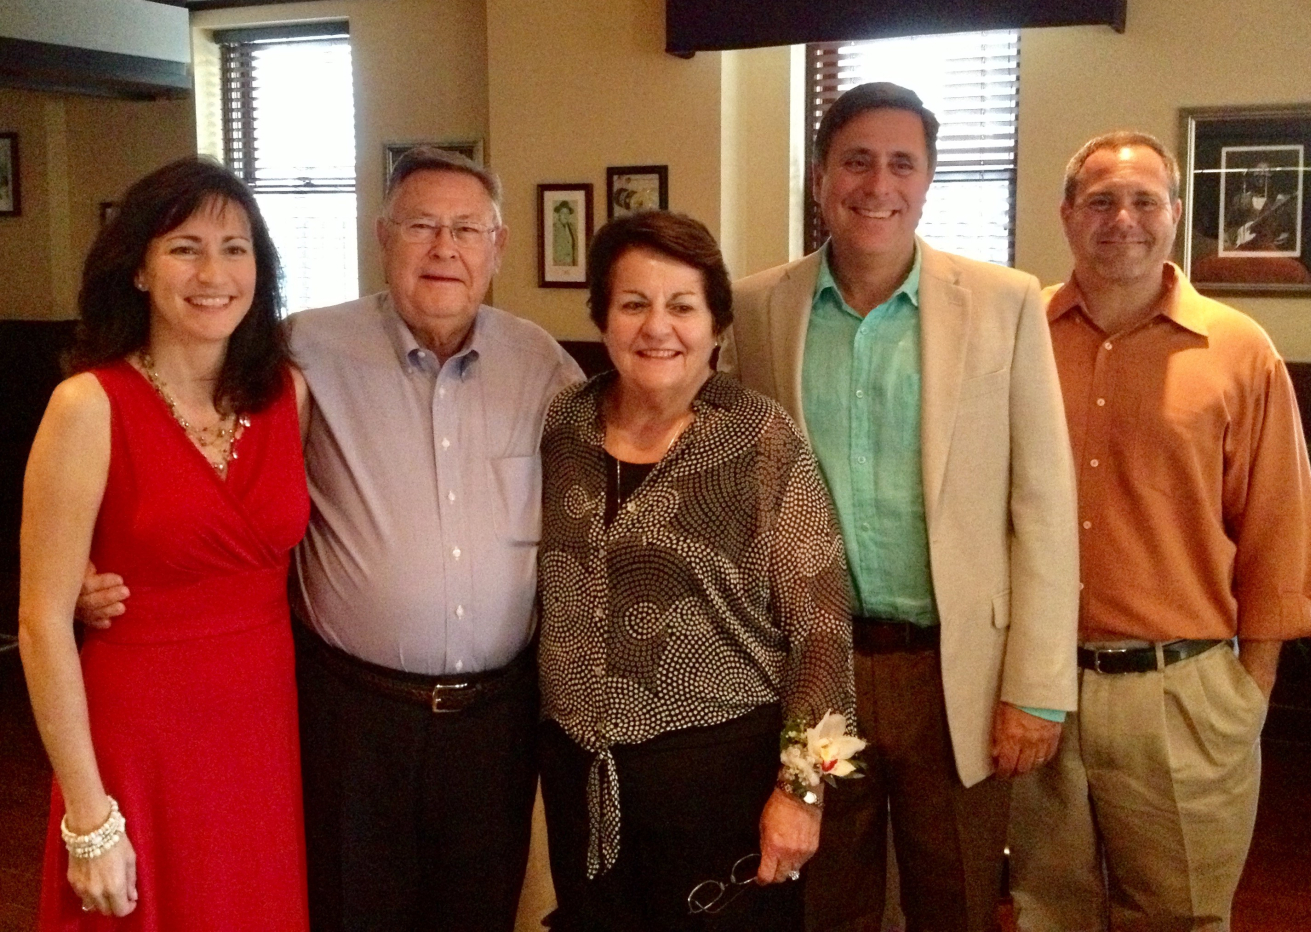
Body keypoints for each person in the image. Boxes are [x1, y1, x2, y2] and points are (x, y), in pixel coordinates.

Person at [76, 147, 585, 931]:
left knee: (477, 914)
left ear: (499, 246)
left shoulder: (544, 367)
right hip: (349, 715)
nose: (444, 248)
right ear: (381, 235)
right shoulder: (299, 349)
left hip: (495, 722)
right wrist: (89, 555)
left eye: (466, 229)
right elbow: (174, 422)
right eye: (421, 225)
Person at [721, 82, 1080, 932]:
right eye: (855, 161)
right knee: (829, 895)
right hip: (821, 673)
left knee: (952, 893)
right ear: (820, 179)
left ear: (926, 181)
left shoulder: (1005, 302)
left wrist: (1036, 687)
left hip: (953, 672)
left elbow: (1045, 503)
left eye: (901, 164)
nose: (876, 184)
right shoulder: (759, 305)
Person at [1009, 131, 1311, 931]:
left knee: (1181, 917)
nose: (1124, 219)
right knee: (1047, 912)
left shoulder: (1238, 350)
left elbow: (1280, 532)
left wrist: (1247, 693)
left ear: (1176, 215)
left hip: (1181, 693)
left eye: (1145, 200)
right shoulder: (1015, 336)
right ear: (1067, 215)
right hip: (1037, 692)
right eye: (1102, 200)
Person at [537, 210, 858, 931]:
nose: (658, 327)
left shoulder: (763, 439)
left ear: (716, 323)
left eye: (682, 306)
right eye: (633, 304)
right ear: (602, 317)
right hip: (579, 779)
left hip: (724, 786)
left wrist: (803, 793)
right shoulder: (562, 426)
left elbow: (823, 636)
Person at [19, 157, 310, 928]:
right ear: (140, 268)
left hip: (263, 733)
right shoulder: (87, 405)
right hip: (140, 736)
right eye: (185, 247)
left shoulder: (288, 394)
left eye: (236, 247)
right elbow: (41, 622)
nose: (213, 271)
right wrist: (89, 814)